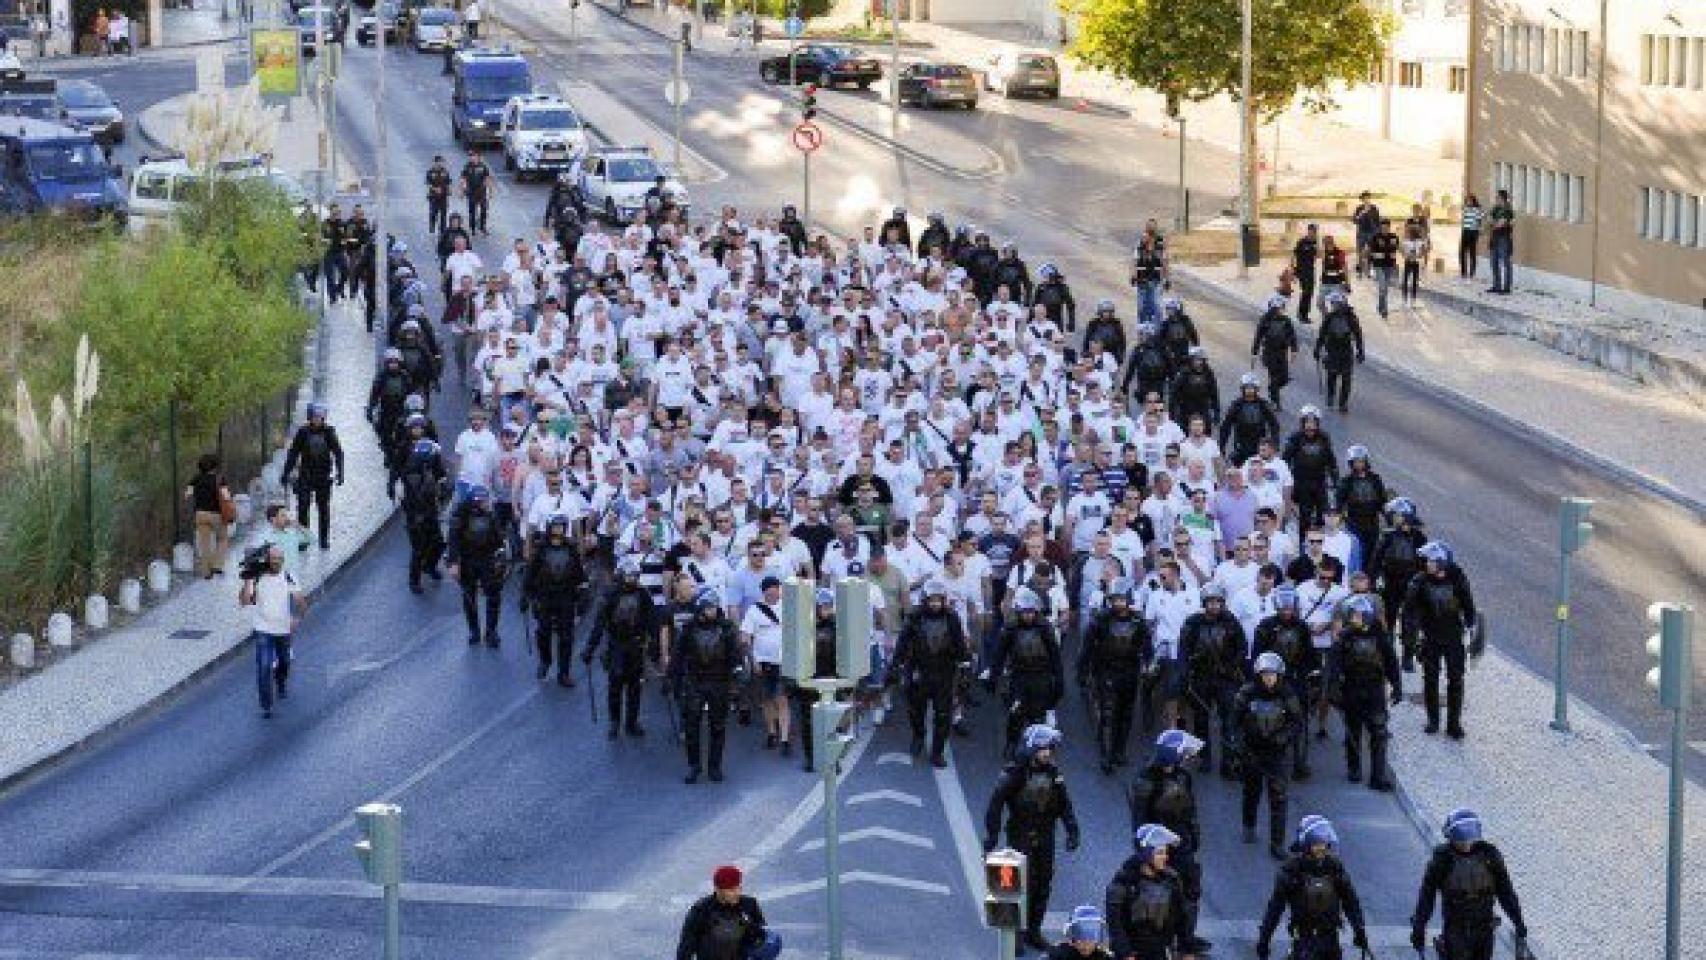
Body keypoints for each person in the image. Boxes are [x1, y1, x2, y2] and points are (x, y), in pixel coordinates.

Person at [985, 723, 1082, 953]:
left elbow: (1064, 804)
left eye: (1050, 748)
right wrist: (991, 837)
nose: (1048, 753)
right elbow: (995, 805)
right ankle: (1015, 934)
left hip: (1046, 836)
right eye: (1043, 749)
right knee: (1019, 886)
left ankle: (1033, 931)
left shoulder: (1053, 773)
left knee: (1042, 885)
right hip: (1020, 836)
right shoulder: (1014, 773)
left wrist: (1072, 830)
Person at [1125, 730, 1211, 955]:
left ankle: (1186, 938)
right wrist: (1146, 853)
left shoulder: (1183, 776)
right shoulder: (1146, 780)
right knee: (1158, 894)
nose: (1186, 757)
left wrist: (1194, 833)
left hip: (1182, 842)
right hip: (1158, 845)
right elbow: (1139, 821)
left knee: (1190, 891)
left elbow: (1190, 808)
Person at [1412, 809, 1533, 960]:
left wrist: (1518, 921)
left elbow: (1506, 892)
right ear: (1451, 837)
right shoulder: (1442, 859)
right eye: (1460, 840)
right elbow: (1427, 896)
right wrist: (1420, 925)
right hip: (1456, 930)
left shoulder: (1490, 856)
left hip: (1485, 929)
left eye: (1468, 839)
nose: (1466, 844)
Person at [1256, 816, 1370, 960]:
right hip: (1304, 939)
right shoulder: (1292, 870)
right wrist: (1264, 939)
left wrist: (1359, 929)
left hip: (1330, 940)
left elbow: (1350, 900)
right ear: (1306, 845)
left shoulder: (1334, 866)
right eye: (1316, 844)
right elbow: (1275, 908)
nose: (1321, 848)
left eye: (1324, 843)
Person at [1402, 541, 1479, 738]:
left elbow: (1468, 604)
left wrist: (1472, 630)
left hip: (1453, 636)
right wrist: (1412, 637)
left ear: (1441, 563)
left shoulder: (1458, 579)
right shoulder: (1419, 581)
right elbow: (1410, 611)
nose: (1427, 563)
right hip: (1430, 637)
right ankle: (1433, 720)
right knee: (1430, 679)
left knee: (1456, 679)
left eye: (1431, 561)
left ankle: (1454, 724)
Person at [892, 578, 971, 768]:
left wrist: (965, 664)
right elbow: (903, 642)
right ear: (925, 599)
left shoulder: (952, 617)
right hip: (919, 669)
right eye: (931, 599)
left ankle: (937, 751)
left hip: (944, 670)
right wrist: (896, 664)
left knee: (943, 714)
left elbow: (959, 643)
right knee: (916, 710)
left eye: (938, 600)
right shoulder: (914, 616)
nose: (935, 604)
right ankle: (918, 736)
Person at [1234, 651, 1305, 860]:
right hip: (1252, 752)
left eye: (1272, 674)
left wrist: (1283, 737)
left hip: (1277, 755)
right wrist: (1239, 747)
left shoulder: (1287, 694)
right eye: (1265, 674)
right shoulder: (1246, 693)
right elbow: (1233, 723)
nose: (1269, 678)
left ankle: (1277, 843)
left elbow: (1296, 722)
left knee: (1279, 798)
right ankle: (1249, 825)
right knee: (1251, 792)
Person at [1326, 595, 1401, 790]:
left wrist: (1397, 685)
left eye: (1359, 615)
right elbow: (1333, 665)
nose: (1354, 618)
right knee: (1353, 731)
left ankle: (1378, 776)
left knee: (1379, 732)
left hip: (1375, 688)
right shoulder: (1344, 637)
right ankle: (1354, 767)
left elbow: (1391, 661)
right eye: (1353, 615)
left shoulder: (1380, 636)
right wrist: (1332, 689)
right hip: (1351, 688)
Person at [1077, 578, 1151, 773]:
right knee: (1108, 713)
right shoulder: (1100, 620)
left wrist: (1148, 666)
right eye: (1115, 599)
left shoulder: (1138, 620)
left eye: (1121, 599)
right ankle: (1106, 755)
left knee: (1126, 714)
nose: (1118, 603)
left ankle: (1119, 751)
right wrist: (1082, 672)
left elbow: (1147, 647)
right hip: (1106, 670)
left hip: (1130, 670)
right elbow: (1087, 648)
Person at [584, 554, 659, 737]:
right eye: (628, 575)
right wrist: (590, 648)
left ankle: (632, 722)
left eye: (634, 575)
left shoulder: (643, 595)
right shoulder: (611, 595)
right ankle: (614, 721)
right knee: (615, 685)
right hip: (616, 645)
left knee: (635, 686)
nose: (632, 579)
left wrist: (655, 643)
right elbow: (599, 624)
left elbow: (651, 621)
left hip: (636, 645)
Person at [673, 590, 742, 783]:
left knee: (718, 726)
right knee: (692, 726)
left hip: (719, 681)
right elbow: (678, 654)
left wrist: (737, 671)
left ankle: (715, 766)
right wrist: (673, 678)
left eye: (714, 606)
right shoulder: (688, 629)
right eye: (709, 607)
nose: (713, 610)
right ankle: (694, 765)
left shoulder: (726, 628)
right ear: (701, 608)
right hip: (695, 681)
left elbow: (734, 653)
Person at [1178, 583, 1246, 779]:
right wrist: (1185, 674)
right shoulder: (1192, 623)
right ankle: (1204, 758)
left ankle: (1228, 761)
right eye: (1211, 602)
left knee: (1228, 719)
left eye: (1218, 602)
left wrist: (1232, 666)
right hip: (1200, 677)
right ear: (1204, 603)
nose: (1214, 606)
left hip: (1226, 678)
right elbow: (1183, 651)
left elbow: (1242, 647)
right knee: (1200, 720)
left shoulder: (1231, 622)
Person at [988, 588, 1064, 759]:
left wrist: (1059, 680)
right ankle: (1012, 742)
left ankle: (1036, 748)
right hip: (1019, 676)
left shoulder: (1045, 629)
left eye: (1031, 612)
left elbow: (1055, 656)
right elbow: (1000, 654)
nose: (1028, 615)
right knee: (1016, 712)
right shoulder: (1011, 630)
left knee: (1038, 715)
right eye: (1025, 612)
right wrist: (994, 676)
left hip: (1041, 676)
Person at [1252, 586, 1318, 779]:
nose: (1286, 612)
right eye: (1283, 608)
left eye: (1290, 608)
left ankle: (1299, 763)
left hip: (1295, 679)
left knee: (1300, 720)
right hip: (1270, 679)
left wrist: (1311, 675)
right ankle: (1264, 761)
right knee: (1265, 720)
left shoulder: (1302, 627)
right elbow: (1258, 654)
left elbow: (1310, 655)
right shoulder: (1265, 626)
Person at [1105, 824, 1196, 960]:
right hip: (1132, 953)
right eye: (1160, 853)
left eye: (1166, 852)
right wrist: (1126, 954)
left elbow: (1182, 918)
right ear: (1146, 854)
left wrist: (1187, 950)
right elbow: (1115, 924)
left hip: (1161, 952)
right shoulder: (1123, 882)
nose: (1165, 857)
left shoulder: (1172, 880)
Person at [238, 543, 305, 719]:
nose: (276, 562)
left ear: (283, 560)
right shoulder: (257, 577)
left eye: (279, 559)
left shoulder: (289, 576)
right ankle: (266, 704)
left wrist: (297, 618)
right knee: (264, 665)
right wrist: (247, 579)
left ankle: (280, 680)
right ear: (267, 559)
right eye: (273, 558)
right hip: (263, 629)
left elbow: (300, 601)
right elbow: (245, 601)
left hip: (283, 630)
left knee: (284, 662)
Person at [523, 513, 587, 685]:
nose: (559, 529)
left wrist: (582, 597)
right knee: (543, 632)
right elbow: (530, 573)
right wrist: (525, 597)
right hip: (545, 597)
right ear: (550, 527)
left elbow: (579, 575)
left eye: (562, 526)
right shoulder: (541, 549)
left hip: (565, 597)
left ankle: (564, 672)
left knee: (566, 637)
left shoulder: (571, 548)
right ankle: (545, 661)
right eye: (556, 526)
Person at [675, 865, 781, 960]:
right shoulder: (701, 910)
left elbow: (761, 937)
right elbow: (686, 947)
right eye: (731, 890)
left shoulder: (749, 904)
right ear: (718, 890)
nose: (737, 893)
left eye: (739, 888)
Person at [446, 484, 508, 647]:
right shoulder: (460, 515)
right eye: (482, 502)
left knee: (494, 595)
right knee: (469, 596)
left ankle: (491, 631)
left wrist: (501, 556)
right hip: (468, 560)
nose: (485, 504)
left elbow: (499, 538)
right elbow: (453, 540)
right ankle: (474, 630)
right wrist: (453, 562)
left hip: (487, 558)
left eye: (486, 501)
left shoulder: (491, 515)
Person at [1371, 497, 1427, 671]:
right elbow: (1376, 561)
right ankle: (1387, 655)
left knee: (1410, 622)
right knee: (1387, 620)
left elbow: (1426, 563)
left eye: (1397, 515)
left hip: (1411, 584)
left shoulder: (1419, 538)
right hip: (1390, 583)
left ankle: (1408, 656)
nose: (1393, 518)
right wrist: (1375, 579)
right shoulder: (1387, 536)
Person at [280, 402, 345, 551]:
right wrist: (286, 472)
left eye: (320, 417)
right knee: (303, 508)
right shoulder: (303, 432)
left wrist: (340, 472)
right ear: (310, 417)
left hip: (323, 476)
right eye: (315, 416)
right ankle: (304, 539)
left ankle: (324, 539)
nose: (318, 419)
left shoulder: (329, 432)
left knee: (323, 509)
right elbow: (293, 453)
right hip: (306, 475)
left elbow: (338, 452)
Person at [394, 438, 448, 593]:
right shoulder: (412, 474)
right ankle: (414, 581)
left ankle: (430, 567)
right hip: (417, 515)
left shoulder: (428, 466)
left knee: (438, 543)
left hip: (430, 512)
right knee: (418, 549)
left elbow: (440, 477)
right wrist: (418, 516)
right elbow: (416, 497)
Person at [1281, 407, 1337, 531]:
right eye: (1307, 422)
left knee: (1324, 515)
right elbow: (1285, 462)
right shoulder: (1295, 438)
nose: (1310, 426)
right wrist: (1286, 483)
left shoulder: (1324, 438)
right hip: (1302, 484)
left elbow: (1331, 461)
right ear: (1302, 423)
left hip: (1320, 482)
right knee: (1305, 517)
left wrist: (1335, 480)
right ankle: (1304, 543)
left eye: (1313, 423)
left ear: (1317, 424)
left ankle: (1321, 542)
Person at [1333, 445, 1387, 573]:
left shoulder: (1375, 479)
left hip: (1372, 523)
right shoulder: (1346, 482)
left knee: (1371, 553)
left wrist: (1388, 518)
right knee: (1357, 552)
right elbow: (1339, 504)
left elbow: (1382, 501)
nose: (1359, 464)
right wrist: (1337, 522)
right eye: (1356, 462)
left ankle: (1367, 579)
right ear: (1351, 463)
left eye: (1361, 461)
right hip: (1354, 523)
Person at [1313, 292, 1365, 414]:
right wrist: (1317, 348)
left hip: (1345, 351)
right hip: (1333, 351)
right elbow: (1322, 334)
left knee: (1345, 379)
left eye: (1333, 303)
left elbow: (1358, 334)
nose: (1332, 305)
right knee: (1332, 376)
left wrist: (1360, 350)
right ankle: (1331, 397)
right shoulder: (1330, 317)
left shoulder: (1350, 317)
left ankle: (1343, 403)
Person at [1220, 371, 1281, 465]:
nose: (1249, 390)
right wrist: (1222, 445)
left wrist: (1274, 444)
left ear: (1256, 389)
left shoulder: (1263, 405)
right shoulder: (1236, 405)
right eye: (1247, 388)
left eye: (1252, 388)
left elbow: (1274, 424)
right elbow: (1226, 426)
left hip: (1259, 445)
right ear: (1243, 389)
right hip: (1241, 444)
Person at [186, 454, 231, 579]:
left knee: (204, 544)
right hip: (216, 515)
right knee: (222, 539)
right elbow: (226, 497)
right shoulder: (219, 479)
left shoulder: (195, 479)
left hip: (200, 514)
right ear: (214, 466)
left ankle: (206, 572)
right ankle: (217, 565)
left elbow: (188, 495)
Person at [1249, 296, 1297, 409]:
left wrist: (1294, 349)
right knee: (1274, 376)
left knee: (1284, 377)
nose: (1281, 309)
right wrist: (1254, 353)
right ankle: (1276, 401)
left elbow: (1292, 336)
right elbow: (1258, 337)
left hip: (1282, 352)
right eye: (1280, 307)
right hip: (1269, 353)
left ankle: (1272, 389)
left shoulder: (1286, 320)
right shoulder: (1265, 319)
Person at [1047, 906, 1115, 959]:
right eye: (1080, 936)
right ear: (1072, 938)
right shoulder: (1059, 953)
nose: (1086, 944)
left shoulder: (1104, 956)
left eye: (1092, 937)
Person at [1368, 218, 1400, 318]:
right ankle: (1384, 309)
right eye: (1382, 227)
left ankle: (1380, 305)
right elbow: (1370, 250)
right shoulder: (1376, 237)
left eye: (1386, 227)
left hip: (1389, 265)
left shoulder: (1393, 237)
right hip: (1379, 265)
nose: (1384, 229)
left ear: (1389, 227)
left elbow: (1398, 249)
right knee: (1382, 286)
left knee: (1385, 287)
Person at [1486, 188, 1515, 295]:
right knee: (1494, 262)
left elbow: (1501, 224)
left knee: (1506, 263)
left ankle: (1506, 287)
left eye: (1497, 197)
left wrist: (1495, 223)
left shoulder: (1508, 210)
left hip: (1504, 238)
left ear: (1502, 198)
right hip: (1494, 237)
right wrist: (1494, 223)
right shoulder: (1496, 208)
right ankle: (1496, 285)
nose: (1496, 199)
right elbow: (1489, 219)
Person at [1291, 223, 1320, 324]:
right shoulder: (1302, 242)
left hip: (1310, 270)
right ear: (1308, 231)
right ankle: (1302, 314)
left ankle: (1303, 313)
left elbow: (1318, 256)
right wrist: (1293, 270)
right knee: (1306, 291)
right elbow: (1294, 255)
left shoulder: (1315, 242)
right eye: (1311, 231)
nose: (1313, 233)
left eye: (1315, 231)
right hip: (1301, 270)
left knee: (1309, 292)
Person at [460, 150, 492, 236]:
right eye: (471, 156)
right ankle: (472, 228)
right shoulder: (467, 167)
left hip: (481, 192)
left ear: (478, 157)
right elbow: (463, 179)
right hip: (471, 192)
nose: (472, 158)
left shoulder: (483, 166)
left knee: (484, 210)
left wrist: (490, 191)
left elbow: (487, 178)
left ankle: (482, 227)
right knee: (472, 211)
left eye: (473, 156)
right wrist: (462, 191)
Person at [1351, 191, 1381, 278]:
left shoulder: (1374, 208)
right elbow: (1354, 220)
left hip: (1372, 232)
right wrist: (1362, 213)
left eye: (1367, 198)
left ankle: (1369, 270)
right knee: (1360, 251)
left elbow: (1377, 221)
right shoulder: (1359, 208)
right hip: (1362, 232)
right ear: (1362, 199)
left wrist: (1377, 233)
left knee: (1371, 251)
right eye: (1364, 198)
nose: (1366, 200)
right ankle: (1360, 269)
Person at [1458, 193, 1484, 280]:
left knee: (1472, 252)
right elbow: (1462, 218)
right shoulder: (1465, 209)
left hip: (1473, 232)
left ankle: (1472, 272)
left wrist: (1479, 229)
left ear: (1473, 201)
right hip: (1465, 231)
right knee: (1462, 252)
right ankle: (1463, 272)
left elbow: (1480, 220)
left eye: (1469, 200)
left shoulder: (1477, 210)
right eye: (1467, 200)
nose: (1468, 202)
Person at [425, 155, 453, 233]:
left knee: (443, 213)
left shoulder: (445, 172)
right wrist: (435, 189)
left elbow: (448, 182)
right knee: (433, 212)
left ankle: (443, 229)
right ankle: (432, 227)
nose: (439, 163)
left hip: (443, 196)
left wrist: (450, 190)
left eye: (441, 162)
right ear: (434, 162)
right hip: (433, 196)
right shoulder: (430, 172)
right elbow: (428, 184)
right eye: (438, 162)